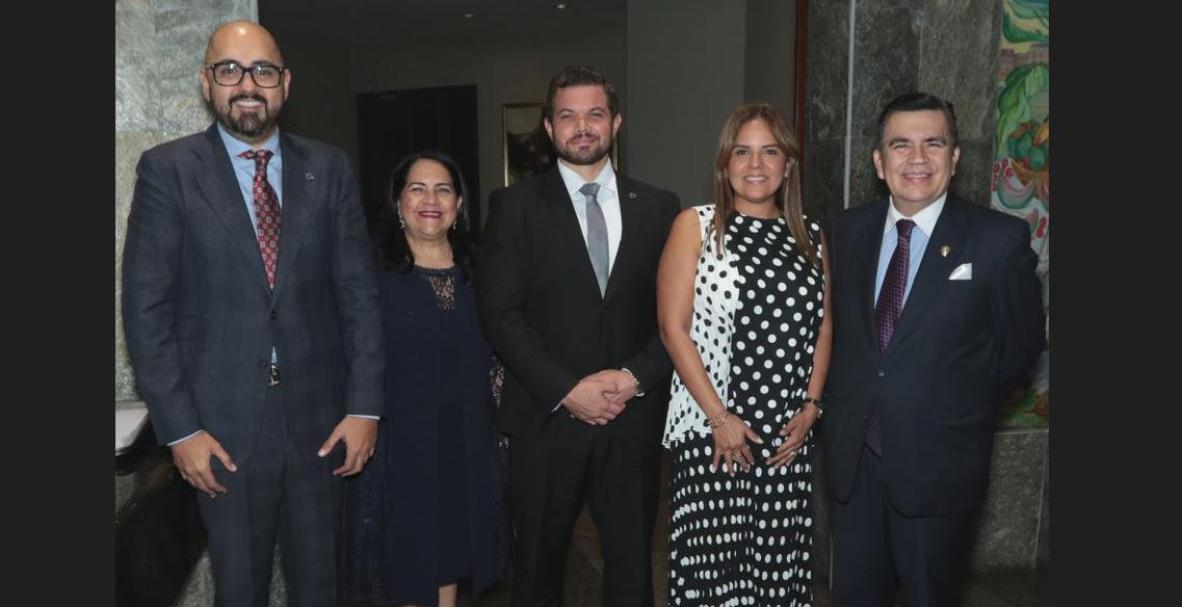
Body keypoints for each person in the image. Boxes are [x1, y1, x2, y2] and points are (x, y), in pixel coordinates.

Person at [120, 20, 383, 607]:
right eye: (229, 70)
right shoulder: (168, 171)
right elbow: (146, 310)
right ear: (206, 83)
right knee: (239, 591)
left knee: (321, 588)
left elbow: (360, 298)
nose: (247, 84)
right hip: (220, 434)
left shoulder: (330, 168)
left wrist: (365, 407)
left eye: (262, 70)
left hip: (323, 426)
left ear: (284, 83)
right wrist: (181, 429)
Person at [821, 92, 1045, 606]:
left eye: (933, 143)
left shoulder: (998, 240)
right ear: (879, 161)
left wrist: (956, 403)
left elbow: (1021, 345)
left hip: (939, 468)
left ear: (955, 156)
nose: (917, 159)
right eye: (900, 145)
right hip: (853, 467)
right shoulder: (845, 232)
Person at [476, 65, 681, 606]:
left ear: (617, 122)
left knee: (632, 570)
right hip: (545, 424)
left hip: (633, 422)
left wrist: (634, 377)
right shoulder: (513, 208)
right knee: (539, 575)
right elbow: (500, 315)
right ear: (548, 127)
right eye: (568, 116)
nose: (582, 126)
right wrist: (569, 389)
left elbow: (680, 317)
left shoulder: (661, 208)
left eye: (595, 114)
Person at [657, 103, 831, 605]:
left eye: (770, 151)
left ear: (788, 165)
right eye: (743, 151)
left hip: (786, 440)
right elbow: (674, 329)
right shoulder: (696, 225)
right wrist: (720, 417)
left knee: (777, 576)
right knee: (715, 579)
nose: (756, 165)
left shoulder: (812, 238)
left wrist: (812, 407)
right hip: (717, 434)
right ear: (724, 164)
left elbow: (823, 328)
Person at [337, 150, 508, 607]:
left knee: (451, 553)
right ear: (397, 203)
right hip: (400, 445)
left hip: (467, 441)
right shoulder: (370, 274)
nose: (430, 200)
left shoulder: (483, 271)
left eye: (443, 189)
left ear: (458, 204)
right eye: (417, 188)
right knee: (410, 564)